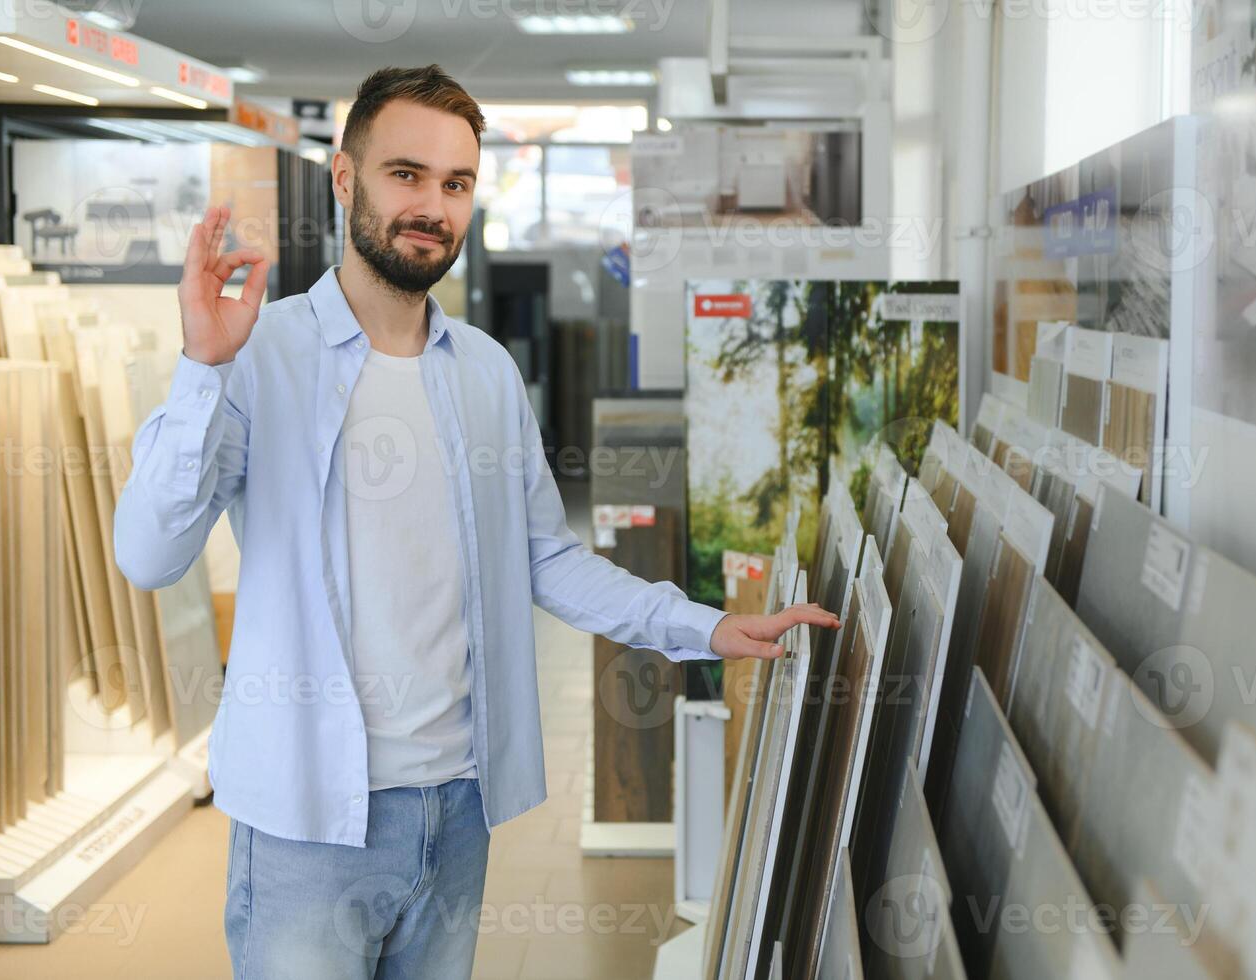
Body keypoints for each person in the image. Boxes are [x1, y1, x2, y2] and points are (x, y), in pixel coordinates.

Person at [113, 64, 838, 980]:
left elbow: (545, 559)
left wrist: (704, 626)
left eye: (455, 184)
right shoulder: (259, 356)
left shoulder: (485, 374)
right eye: (405, 175)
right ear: (345, 179)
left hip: (455, 812)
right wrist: (201, 367)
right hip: (307, 824)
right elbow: (147, 554)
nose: (432, 206)